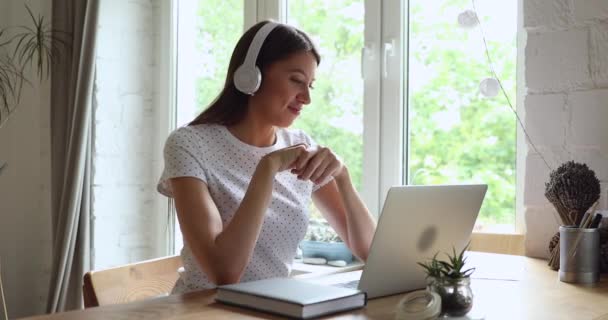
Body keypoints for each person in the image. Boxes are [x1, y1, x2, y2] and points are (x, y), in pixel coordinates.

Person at [157, 20, 376, 294]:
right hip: (206, 310)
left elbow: (370, 252)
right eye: (296, 80)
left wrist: (342, 178)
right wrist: (267, 169)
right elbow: (224, 272)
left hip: (274, 308)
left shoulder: (300, 146)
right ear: (251, 75)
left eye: (311, 85)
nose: (306, 97)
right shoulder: (189, 144)